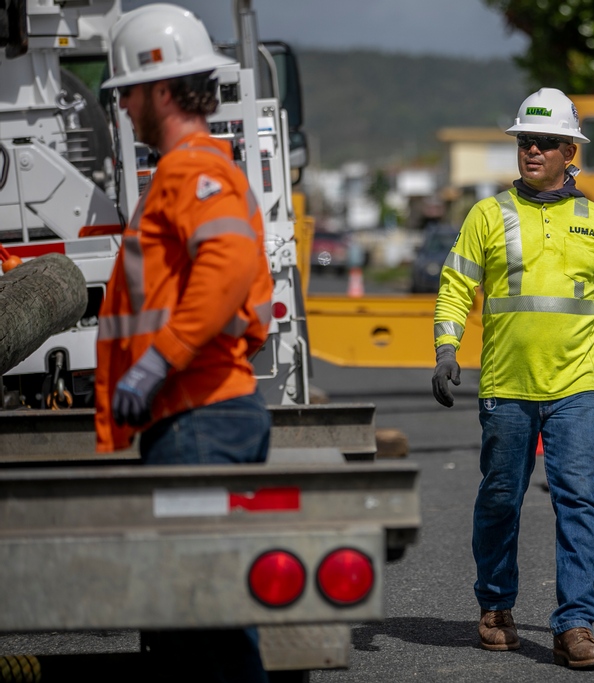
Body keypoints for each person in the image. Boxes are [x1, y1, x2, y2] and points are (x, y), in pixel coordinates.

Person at [431, 87, 594, 670]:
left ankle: (575, 625)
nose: (531, 149)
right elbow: (457, 285)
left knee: (578, 501)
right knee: (500, 499)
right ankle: (496, 606)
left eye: (544, 142)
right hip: (506, 388)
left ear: (568, 153)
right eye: (524, 141)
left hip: (575, 389)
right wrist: (446, 346)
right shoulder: (488, 215)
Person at [94, 4, 273, 682]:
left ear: (161, 89)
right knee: (209, 619)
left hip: (197, 415)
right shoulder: (216, 174)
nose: (128, 108)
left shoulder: (187, 174)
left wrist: (158, 362)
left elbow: (226, 268)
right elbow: (251, 309)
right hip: (209, 409)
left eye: (129, 93)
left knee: (204, 628)